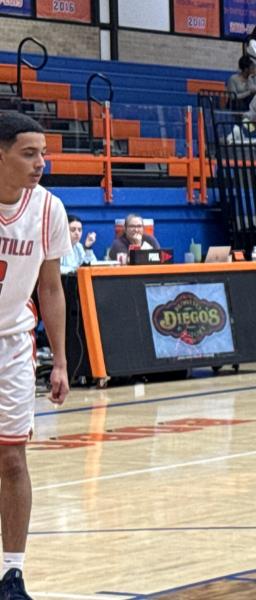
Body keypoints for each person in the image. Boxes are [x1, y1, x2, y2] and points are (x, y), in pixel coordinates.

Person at [0, 112, 71, 599]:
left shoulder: (47, 210)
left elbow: (51, 288)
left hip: (12, 344)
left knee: (12, 460)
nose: (41, 163)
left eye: (44, 152)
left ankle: (13, 573)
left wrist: (61, 361)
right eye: (29, 153)